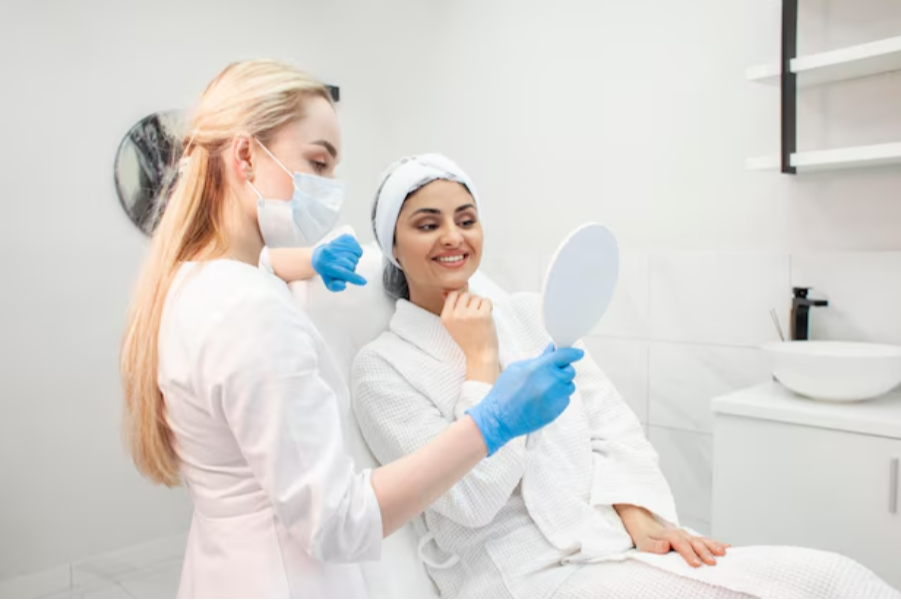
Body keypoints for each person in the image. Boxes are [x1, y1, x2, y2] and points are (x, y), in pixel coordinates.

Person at [118, 60, 586, 599]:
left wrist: (310, 260)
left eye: (466, 218)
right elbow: (335, 520)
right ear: (245, 156)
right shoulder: (255, 314)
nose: (329, 189)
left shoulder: (195, 283)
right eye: (317, 162)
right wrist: (493, 420)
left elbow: (266, 266)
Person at [346, 153, 901, 599]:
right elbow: (471, 501)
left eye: (466, 220)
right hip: (523, 577)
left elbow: (609, 423)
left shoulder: (531, 315)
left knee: (836, 578)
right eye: (428, 224)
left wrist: (636, 510)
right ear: (392, 245)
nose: (454, 237)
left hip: (608, 541)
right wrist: (481, 364)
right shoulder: (382, 369)